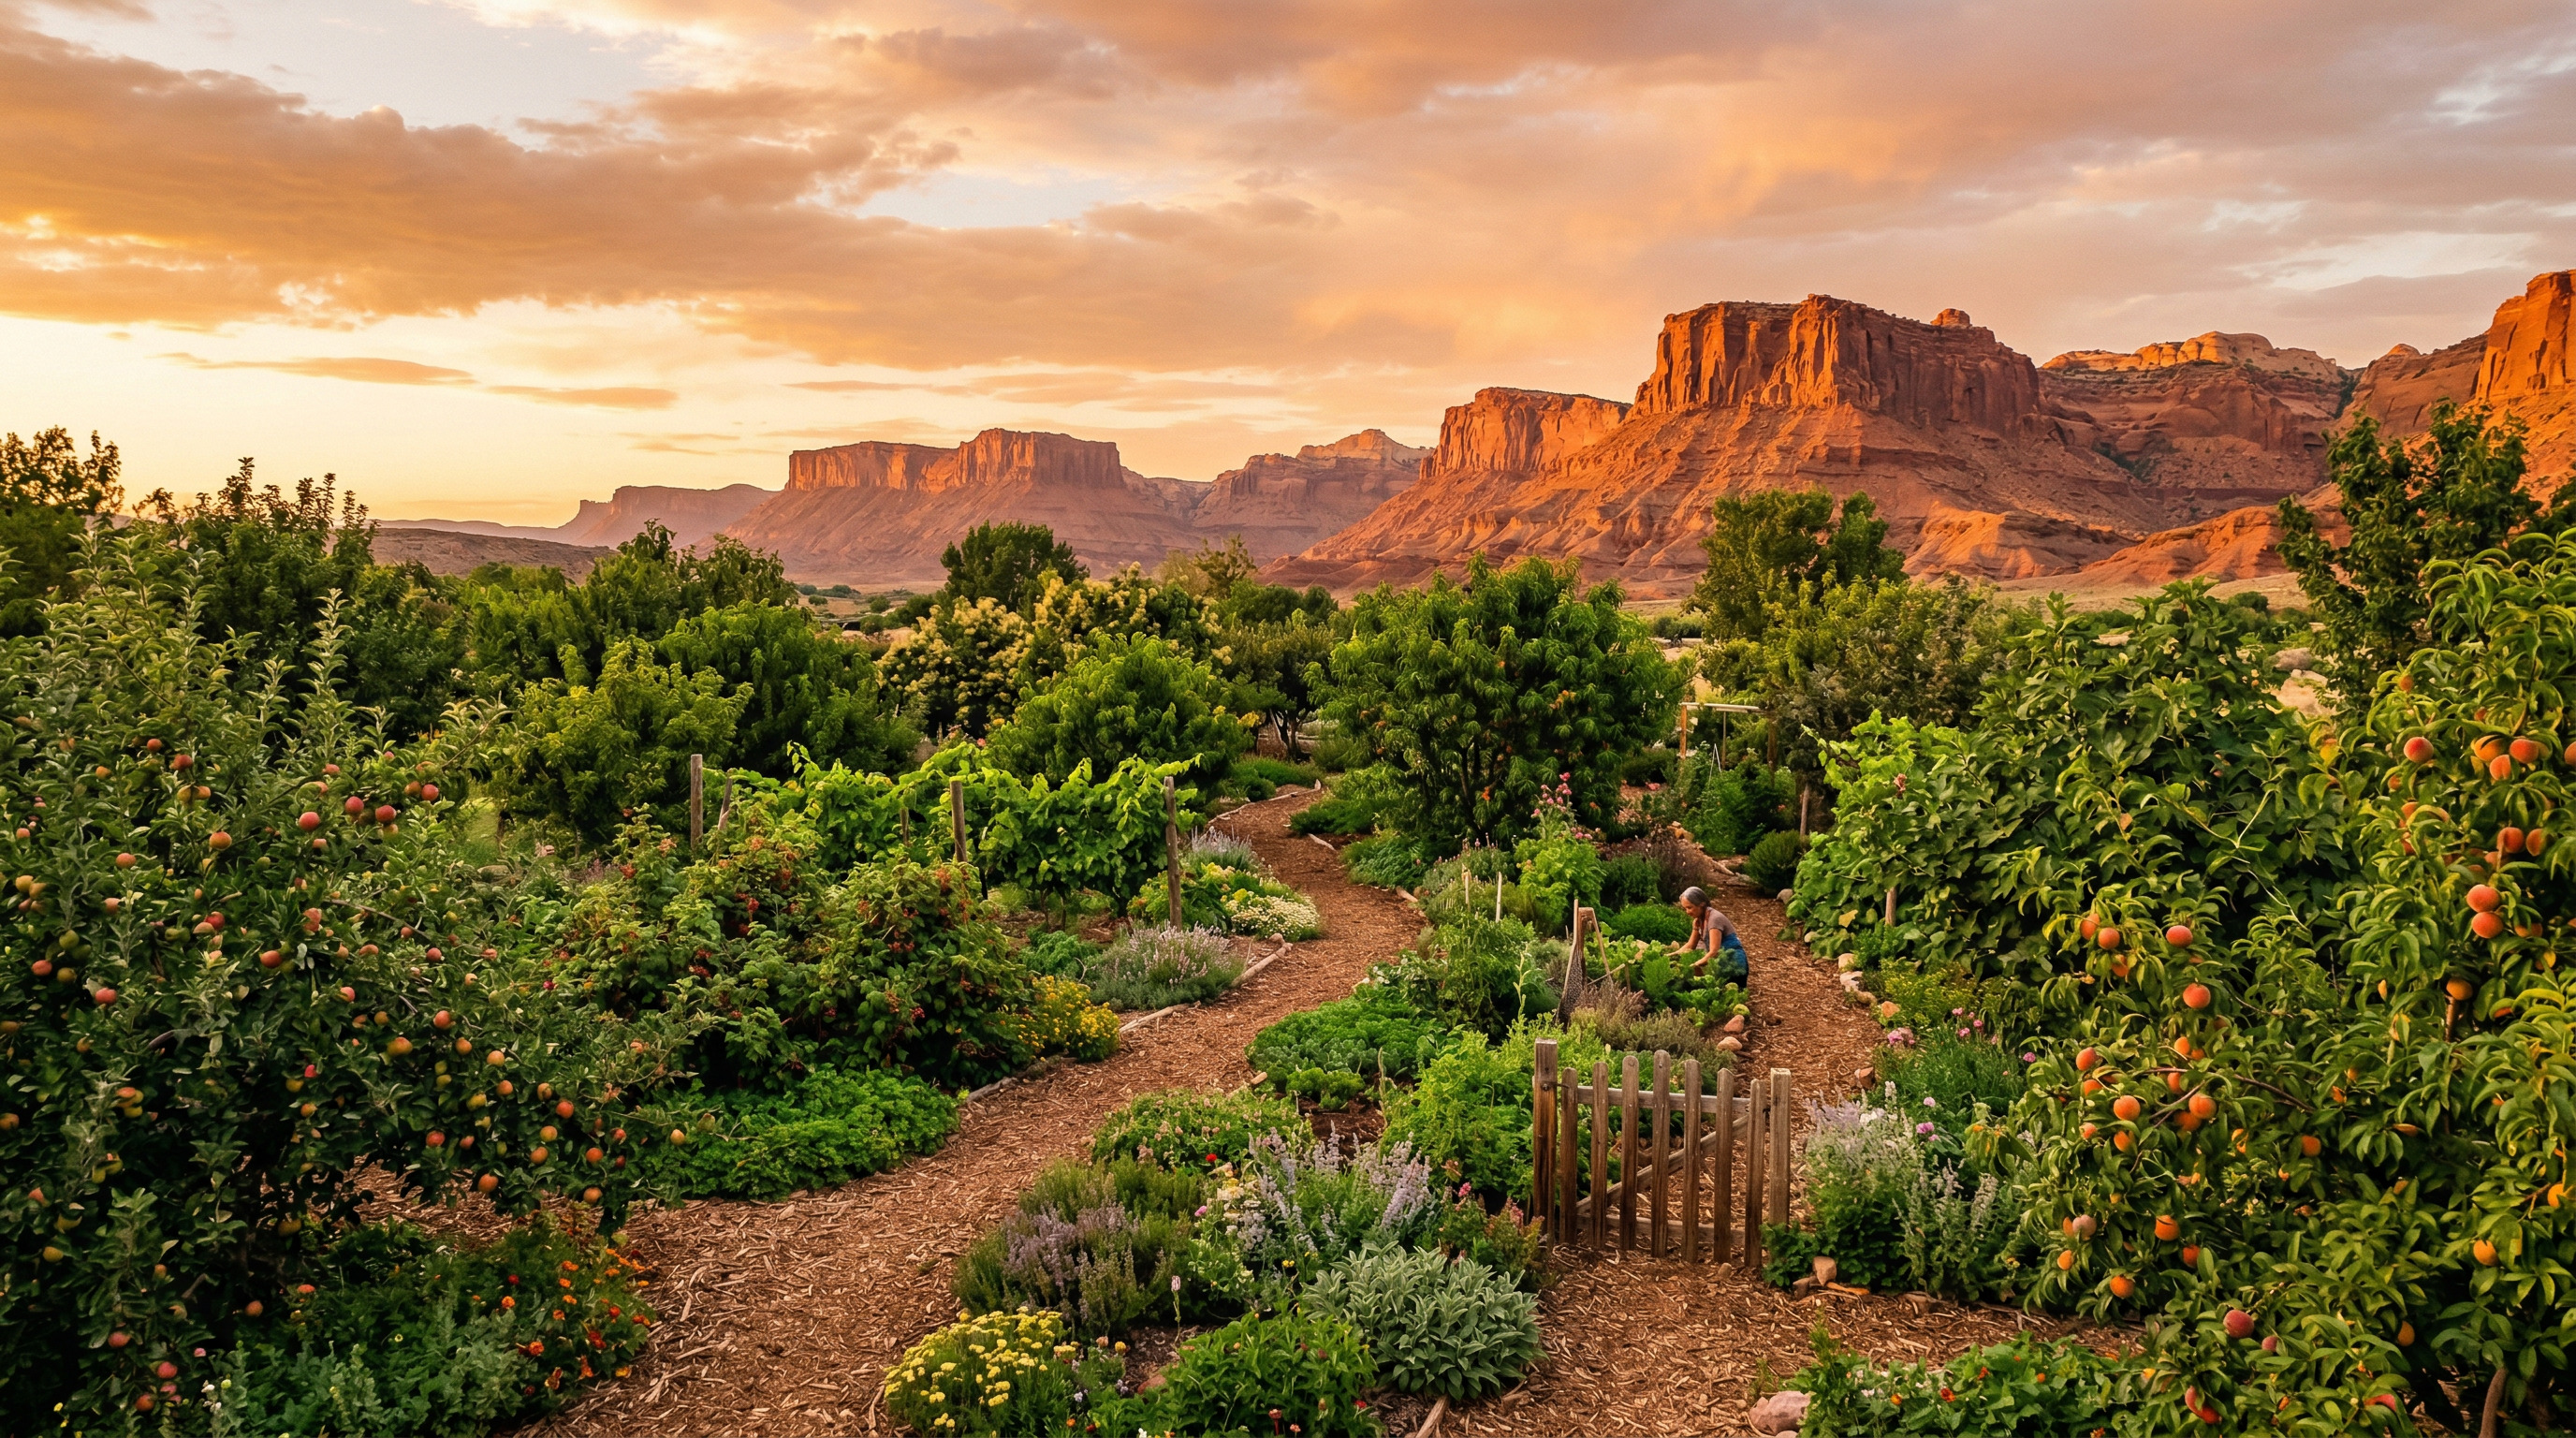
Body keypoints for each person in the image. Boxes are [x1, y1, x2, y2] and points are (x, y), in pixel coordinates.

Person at [1676, 886, 1749, 985]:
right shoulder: (1698, 921)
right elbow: (1690, 945)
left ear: (1701, 904)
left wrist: (1693, 966)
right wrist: (1669, 956)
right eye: (1685, 908)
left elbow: (1714, 951)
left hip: (1734, 965)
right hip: (1719, 965)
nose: (1687, 912)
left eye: (1689, 907)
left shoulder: (1714, 919)